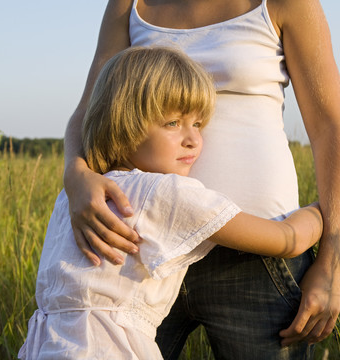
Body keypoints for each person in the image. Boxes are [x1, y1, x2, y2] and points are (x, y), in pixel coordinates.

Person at [63, 0, 340, 359]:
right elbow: (91, 108)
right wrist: (75, 174)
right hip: (140, 252)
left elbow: (330, 127)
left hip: (257, 257)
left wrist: (332, 261)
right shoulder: (128, 4)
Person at [18, 46, 323, 360]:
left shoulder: (75, 195)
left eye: (198, 124)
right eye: (173, 123)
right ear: (124, 125)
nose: (192, 139)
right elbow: (287, 240)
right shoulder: (165, 192)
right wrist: (319, 213)